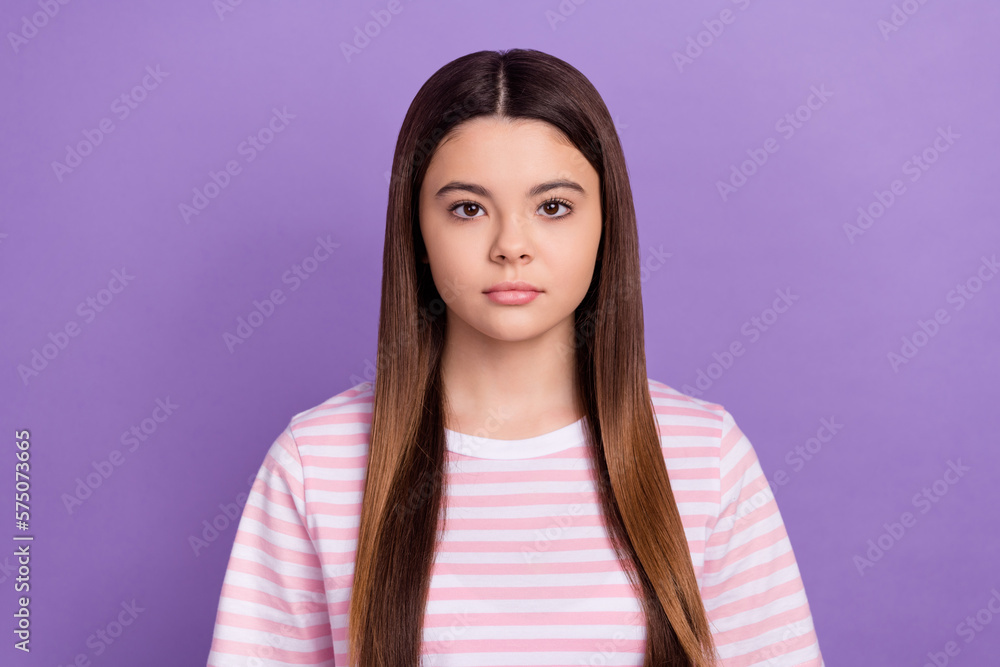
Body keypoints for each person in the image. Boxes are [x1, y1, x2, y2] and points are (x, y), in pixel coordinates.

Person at [206, 48, 824, 667]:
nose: (511, 246)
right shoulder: (317, 462)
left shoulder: (706, 457)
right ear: (417, 233)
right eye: (467, 209)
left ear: (605, 224)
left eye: (553, 207)